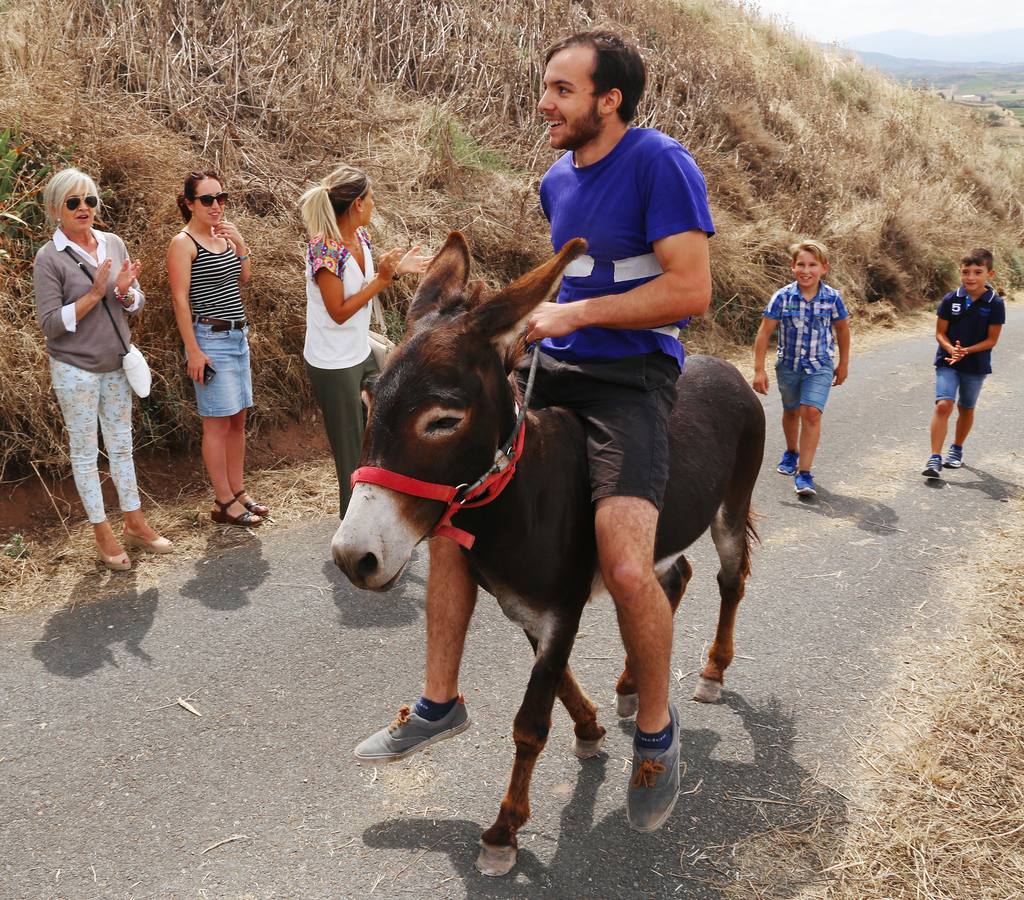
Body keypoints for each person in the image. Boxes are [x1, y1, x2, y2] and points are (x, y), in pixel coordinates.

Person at [354, 31, 715, 833]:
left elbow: (689, 288)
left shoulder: (662, 164)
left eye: (560, 88)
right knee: (453, 508)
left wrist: (574, 314)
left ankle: (656, 734)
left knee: (626, 565)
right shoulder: (558, 180)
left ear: (608, 99)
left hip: (631, 386)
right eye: (545, 87)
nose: (543, 103)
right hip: (552, 375)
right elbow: (564, 288)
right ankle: (439, 702)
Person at [33, 167, 171, 570]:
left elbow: (135, 303)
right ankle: (101, 531)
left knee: (122, 446)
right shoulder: (49, 258)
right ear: (55, 209)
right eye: (73, 202)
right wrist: (95, 294)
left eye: (89, 200)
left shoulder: (112, 242)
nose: (83, 208)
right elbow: (50, 324)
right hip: (75, 368)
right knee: (84, 452)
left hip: (116, 362)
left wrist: (126, 293)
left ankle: (135, 522)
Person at [298, 166, 429, 516]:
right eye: (370, 198)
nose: (374, 204)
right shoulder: (325, 251)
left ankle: (375, 509)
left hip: (359, 351)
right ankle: (352, 520)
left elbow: (362, 285)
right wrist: (384, 280)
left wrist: (396, 270)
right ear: (357, 203)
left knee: (378, 433)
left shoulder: (361, 238)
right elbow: (338, 311)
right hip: (332, 362)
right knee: (350, 449)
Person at [167, 169, 267, 527]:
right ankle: (223, 500)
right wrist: (193, 350)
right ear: (189, 203)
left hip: (238, 337)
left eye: (220, 198)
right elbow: (180, 301)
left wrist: (241, 246)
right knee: (216, 424)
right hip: (210, 338)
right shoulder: (183, 243)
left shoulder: (223, 236)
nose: (216, 206)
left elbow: (243, 278)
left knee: (238, 419)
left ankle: (238, 491)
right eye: (207, 199)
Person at [752, 240, 850, 496]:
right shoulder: (782, 297)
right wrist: (758, 369)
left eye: (813, 265)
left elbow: (842, 330)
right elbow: (764, 333)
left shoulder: (832, 298)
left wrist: (844, 363)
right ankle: (791, 451)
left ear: (824, 268)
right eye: (801, 265)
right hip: (788, 367)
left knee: (811, 413)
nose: (807, 271)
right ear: (792, 267)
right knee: (792, 411)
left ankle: (804, 473)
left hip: (820, 365)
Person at [921, 248, 1005, 478]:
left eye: (978, 272)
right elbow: (940, 333)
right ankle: (934, 457)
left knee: (966, 407)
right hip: (948, 361)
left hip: (976, 365)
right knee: (943, 405)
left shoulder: (995, 303)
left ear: (990, 273)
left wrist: (965, 351)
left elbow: (991, 340)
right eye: (965, 272)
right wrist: (951, 350)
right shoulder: (951, 299)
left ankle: (956, 449)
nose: (971, 277)